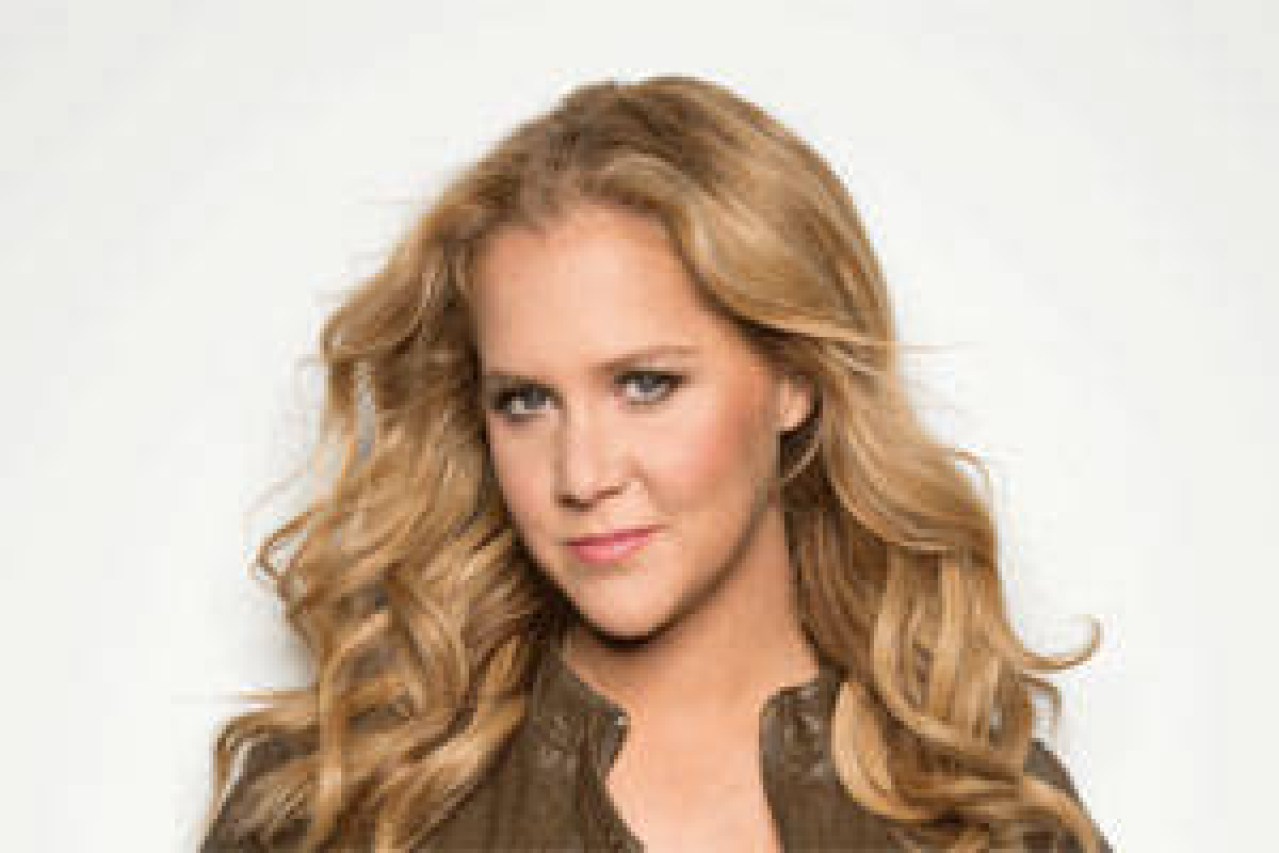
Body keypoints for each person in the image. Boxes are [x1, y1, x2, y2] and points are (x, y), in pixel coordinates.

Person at [199, 74, 1112, 852]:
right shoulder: (339, 803)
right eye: (525, 401)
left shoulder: (990, 821)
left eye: (645, 384)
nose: (580, 474)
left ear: (794, 378)